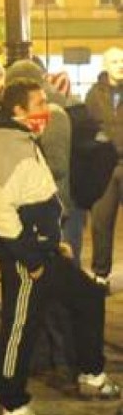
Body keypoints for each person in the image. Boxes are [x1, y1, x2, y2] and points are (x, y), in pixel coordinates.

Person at [0, 78, 120, 415]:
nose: (45, 109)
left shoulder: (22, 140)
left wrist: (53, 242)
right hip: (27, 254)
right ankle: (13, 406)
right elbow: (3, 215)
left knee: (87, 297)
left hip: (42, 248)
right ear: (17, 109)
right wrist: (33, 259)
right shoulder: (5, 149)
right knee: (19, 328)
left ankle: (91, 373)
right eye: (38, 103)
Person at [86, 45, 123, 279]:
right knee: (101, 222)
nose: (120, 66)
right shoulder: (94, 94)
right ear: (105, 66)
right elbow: (89, 126)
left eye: (122, 61)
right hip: (103, 167)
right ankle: (100, 273)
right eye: (115, 62)